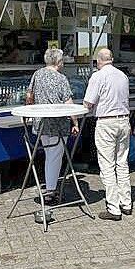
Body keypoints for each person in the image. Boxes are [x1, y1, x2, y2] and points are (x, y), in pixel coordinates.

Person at [83, 48, 133, 221]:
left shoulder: (98, 76)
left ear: (98, 60)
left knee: (107, 165)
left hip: (106, 122)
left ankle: (113, 207)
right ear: (111, 59)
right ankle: (126, 203)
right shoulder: (123, 76)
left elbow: (88, 102)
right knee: (122, 163)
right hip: (124, 120)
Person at [28, 48, 80, 206]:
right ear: (58, 62)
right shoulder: (61, 78)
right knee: (55, 156)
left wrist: (33, 109)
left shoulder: (37, 74)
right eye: (62, 60)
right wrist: (75, 122)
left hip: (41, 123)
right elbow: (68, 103)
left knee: (50, 154)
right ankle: (50, 191)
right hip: (58, 124)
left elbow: (29, 96)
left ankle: (50, 188)